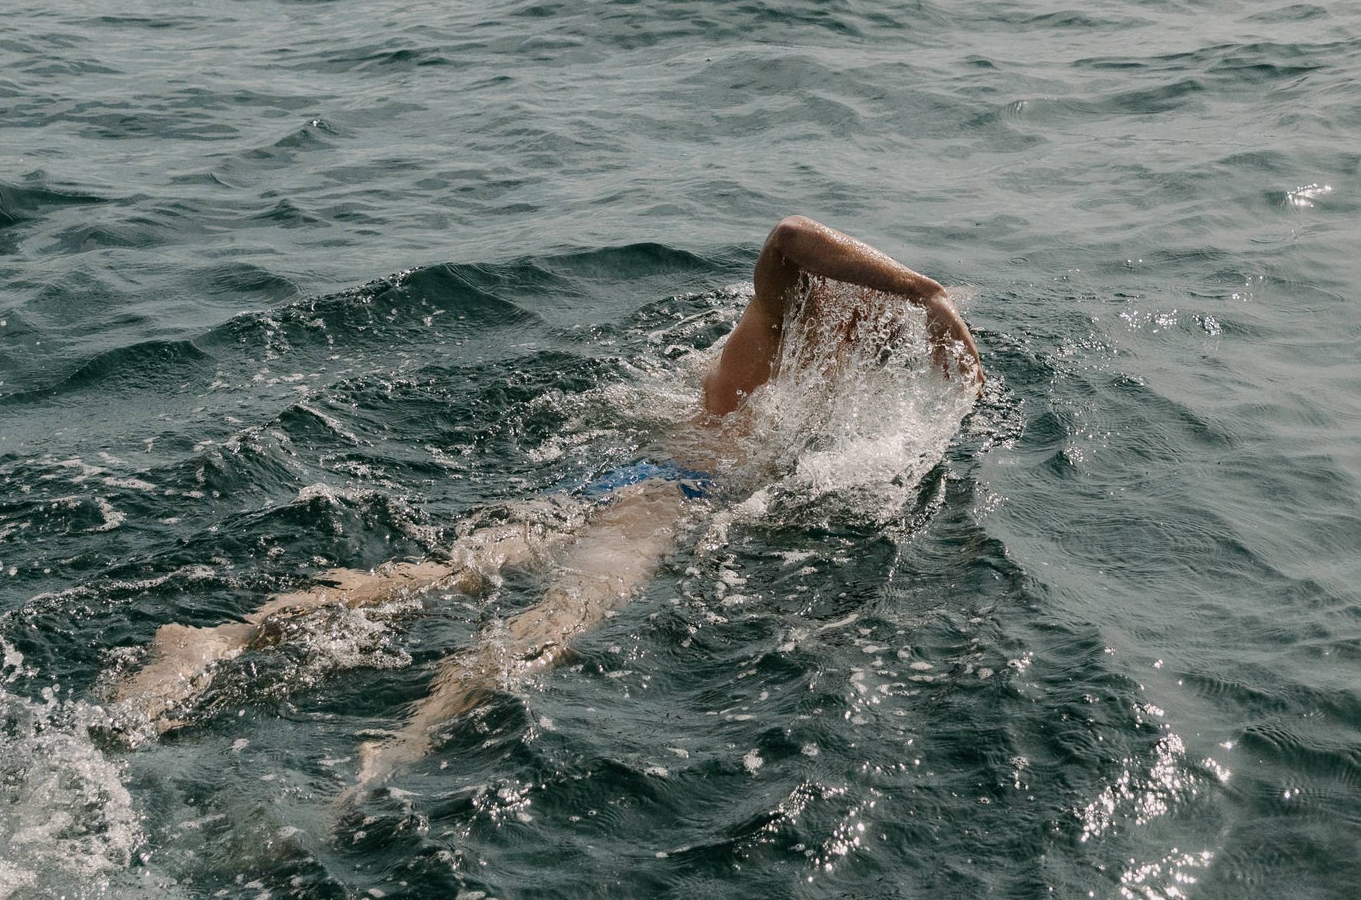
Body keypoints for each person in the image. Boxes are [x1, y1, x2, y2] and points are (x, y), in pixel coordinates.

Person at [106, 216, 982, 790]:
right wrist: (929, 297)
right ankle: (394, 750)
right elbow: (790, 234)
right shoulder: (792, 325)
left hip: (620, 472)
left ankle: (223, 638)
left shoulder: (773, 339)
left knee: (448, 575)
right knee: (553, 624)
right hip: (668, 498)